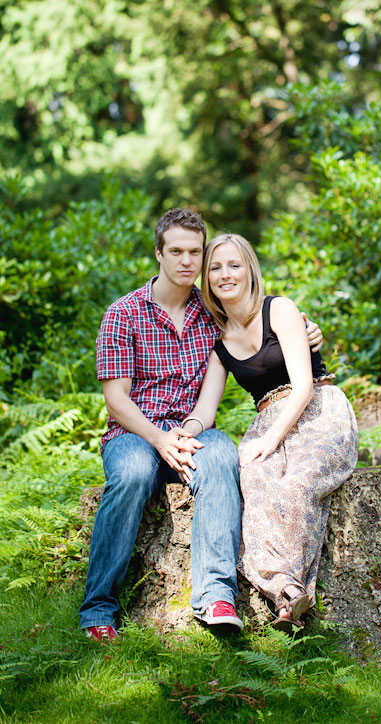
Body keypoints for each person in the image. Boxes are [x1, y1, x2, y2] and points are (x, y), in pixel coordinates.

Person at [79, 208, 323, 641]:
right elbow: (116, 399)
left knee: (223, 457)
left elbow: (258, 324)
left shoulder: (211, 312)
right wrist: (158, 439)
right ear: (159, 253)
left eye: (195, 252)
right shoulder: (124, 313)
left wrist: (307, 331)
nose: (187, 261)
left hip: (194, 427)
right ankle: (99, 609)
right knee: (133, 473)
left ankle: (216, 597)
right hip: (136, 433)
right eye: (176, 251)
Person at [181, 233, 358, 630]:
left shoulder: (279, 310)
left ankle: (291, 585)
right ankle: (286, 594)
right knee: (256, 480)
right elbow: (205, 411)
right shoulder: (220, 342)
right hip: (267, 419)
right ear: (207, 279)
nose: (225, 274)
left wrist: (272, 440)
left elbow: (304, 385)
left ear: (249, 270)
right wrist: (183, 434)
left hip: (318, 412)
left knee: (298, 483)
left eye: (234, 265)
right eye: (215, 268)